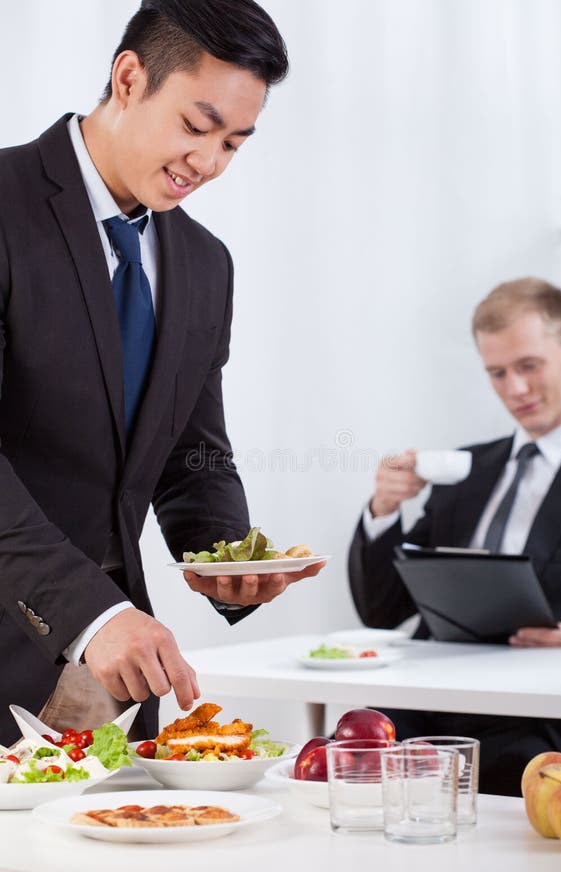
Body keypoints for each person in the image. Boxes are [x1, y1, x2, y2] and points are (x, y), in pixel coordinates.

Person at [0, 0, 324, 745]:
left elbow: (189, 450)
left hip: (104, 688)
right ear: (127, 78)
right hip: (60, 626)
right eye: (195, 126)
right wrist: (92, 614)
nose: (207, 163)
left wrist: (228, 555)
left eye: (234, 144)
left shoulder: (205, 265)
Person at [348, 277, 561, 795]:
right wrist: (384, 511)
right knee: (349, 754)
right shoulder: (469, 470)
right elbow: (382, 611)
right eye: (498, 373)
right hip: (431, 707)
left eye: (529, 366)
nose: (515, 390)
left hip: (547, 721)